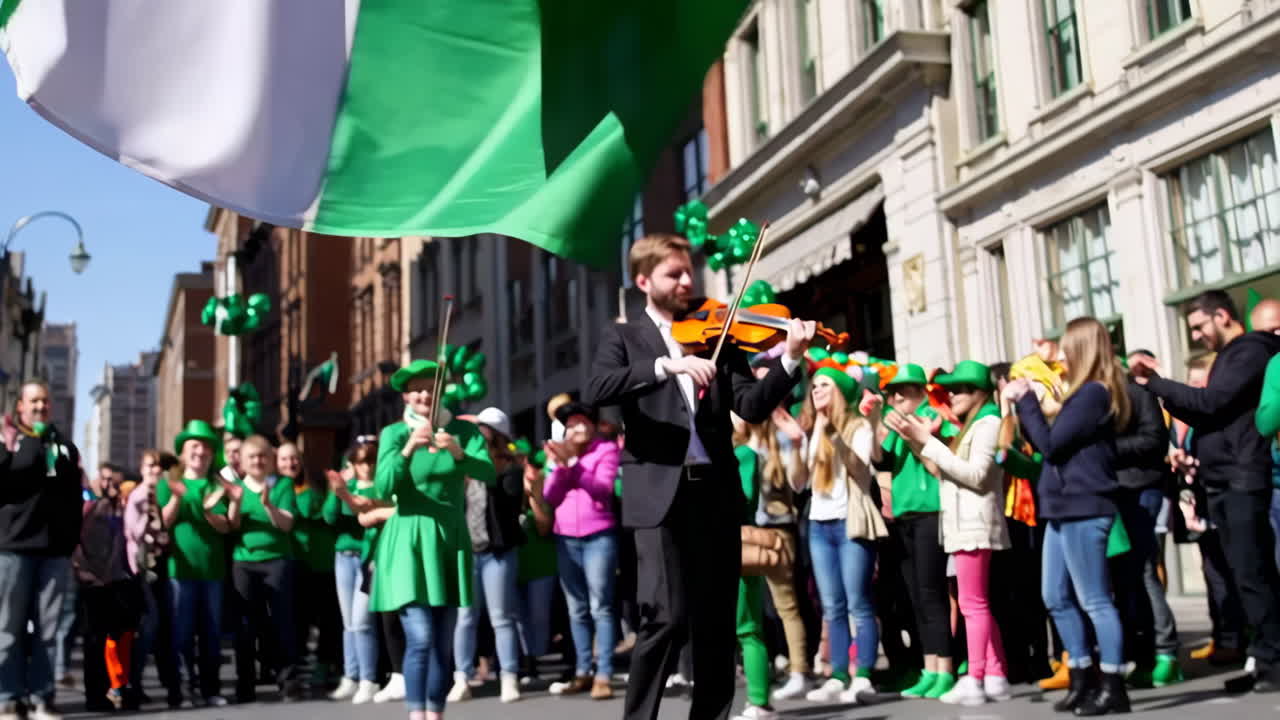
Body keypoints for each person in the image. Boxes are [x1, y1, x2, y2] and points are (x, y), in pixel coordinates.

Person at [585, 233, 812, 720]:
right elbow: (598, 387)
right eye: (674, 273)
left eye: (689, 271)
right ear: (643, 280)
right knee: (665, 617)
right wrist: (668, 366)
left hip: (713, 492)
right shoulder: (624, 338)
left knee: (715, 622)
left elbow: (750, 406)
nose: (688, 281)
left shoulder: (716, 332)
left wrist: (789, 360)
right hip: (658, 493)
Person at [1131, 290, 1280, 693]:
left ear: (1222, 316)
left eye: (1199, 326)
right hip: (1223, 479)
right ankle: (1262, 657)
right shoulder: (1230, 358)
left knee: (1254, 573)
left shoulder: (1251, 350)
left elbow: (1212, 402)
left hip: (1243, 477)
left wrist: (1157, 382)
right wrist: (1158, 390)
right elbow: (1204, 410)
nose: (1196, 335)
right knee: (1240, 574)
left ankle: (1272, 662)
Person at [1009, 317, 1131, 716]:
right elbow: (1047, 444)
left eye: (1065, 348)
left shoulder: (1094, 393)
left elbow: (1052, 446)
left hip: (1085, 505)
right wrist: (1028, 408)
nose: (1059, 356)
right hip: (1063, 506)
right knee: (1055, 596)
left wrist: (1026, 398)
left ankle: (1113, 685)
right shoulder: (1080, 395)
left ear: (1082, 349)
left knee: (1094, 599)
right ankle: (1081, 676)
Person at [370, 359, 496, 720]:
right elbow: (383, 487)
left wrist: (458, 453)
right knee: (421, 638)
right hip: (408, 538)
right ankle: (416, 713)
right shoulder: (394, 434)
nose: (425, 394)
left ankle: (435, 713)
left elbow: (488, 471)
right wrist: (409, 447)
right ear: (407, 397)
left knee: (442, 643)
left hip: (448, 539)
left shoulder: (463, 432)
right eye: (418, 389)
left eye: (431, 387)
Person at [888, 360, 1011, 705]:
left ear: (979, 393)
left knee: (973, 604)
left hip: (974, 522)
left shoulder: (987, 422)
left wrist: (929, 440)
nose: (951, 394)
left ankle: (975, 676)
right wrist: (921, 441)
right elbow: (944, 471)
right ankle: (996, 673)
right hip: (961, 522)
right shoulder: (974, 424)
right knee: (977, 603)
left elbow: (974, 474)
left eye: (958, 389)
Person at [790, 366, 885, 705]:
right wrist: (800, 444)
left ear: (840, 392)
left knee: (858, 601)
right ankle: (839, 673)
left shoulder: (857, 427)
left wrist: (834, 437)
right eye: (813, 386)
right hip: (819, 524)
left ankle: (863, 676)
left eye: (824, 386)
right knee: (831, 606)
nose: (815, 390)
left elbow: (862, 469)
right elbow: (798, 484)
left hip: (850, 522)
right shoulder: (812, 429)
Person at [867, 363, 957, 699]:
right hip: (904, 514)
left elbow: (940, 461)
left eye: (904, 391)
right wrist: (875, 420)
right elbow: (881, 462)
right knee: (917, 596)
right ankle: (929, 668)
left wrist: (915, 432)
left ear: (919, 391)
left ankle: (945, 669)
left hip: (931, 510)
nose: (897, 397)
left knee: (933, 594)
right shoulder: (895, 422)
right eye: (895, 392)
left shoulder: (935, 416)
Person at [0, 381, 84, 720]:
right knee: (9, 628)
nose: (41, 407)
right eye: (34, 401)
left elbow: (74, 498)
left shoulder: (64, 446)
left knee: (48, 631)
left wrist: (71, 543)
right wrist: (26, 442)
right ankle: (7, 697)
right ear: (20, 405)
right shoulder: (8, 441)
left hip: (54, 553)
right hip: (13, 548)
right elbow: (12, 475)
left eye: (46, 401)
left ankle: (42, 699)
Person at [542, 402, 621, 700]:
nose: (578, 428)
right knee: (576, 609)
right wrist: (561, 468)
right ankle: (583, 670)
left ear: (592, 425)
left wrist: (575, 466)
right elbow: (551, 495)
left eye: (582, 422)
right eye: (572, 424)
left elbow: (602, 489)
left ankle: (605, 673)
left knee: (601, 605)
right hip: (566, 538)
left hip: (598, 535)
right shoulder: (561, 453)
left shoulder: (606, 450)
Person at [449, 407, 527, 704]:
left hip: (498, 552)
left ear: (496, 438)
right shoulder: (463, 469)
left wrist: (483, 470)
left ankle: (509, 676)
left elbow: (508, 506)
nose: (478, 438)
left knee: (501, 618)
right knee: (465, 617)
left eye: (484, 433)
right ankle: (461, 677)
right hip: (468, 551)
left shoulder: (510, 469)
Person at [1113, 350, 1181, 687]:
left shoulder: (1138, 395)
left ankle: (1167, 653)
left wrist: (1107, 448)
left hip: (1144, 490)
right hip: (1116, 493)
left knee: (1144, 569)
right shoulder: (1099, 399)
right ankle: (1143, 653)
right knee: (1126, 576)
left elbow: (1155, 441)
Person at [159, 419, 235, 708]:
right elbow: (164, 522)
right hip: (180, 571)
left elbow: (227, 527)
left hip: (213, 570)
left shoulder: (218, 485)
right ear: (183, 450)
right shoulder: (170, 482)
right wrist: (178, 499)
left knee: (211, 633)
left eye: (205, 446)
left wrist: (208, 512)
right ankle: (180, 690)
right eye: (194, 445)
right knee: (181, 632)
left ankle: (210, 689)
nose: (200, 451)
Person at [228, 435, 301, 703]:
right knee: (245, 625)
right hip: (244, 562)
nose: (258, 461)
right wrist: (235, 502)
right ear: (243, 461)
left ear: (270, 460)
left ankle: (288, 681)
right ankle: (245, 682)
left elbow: (287, 525)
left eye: (262, 456)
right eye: (252, 457)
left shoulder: (282, 485)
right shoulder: (236, 486)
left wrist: (268, 504)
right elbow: (232, 526)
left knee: (283, 621)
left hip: (277, 560)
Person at [73, 465, 143, 711]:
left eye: (115, 481)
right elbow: (78, 545)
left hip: (122, 583)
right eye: (104, 480)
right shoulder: (88, 508)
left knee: (123, 639)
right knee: (94, 642)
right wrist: (86, 574)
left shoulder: (129, 509)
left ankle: (123, 688)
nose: (109, 485)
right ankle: (95, 695)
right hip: (93, 583)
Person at [325, 439, 382, 704]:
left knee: (362, 622)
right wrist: (336, 492)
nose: (366, 467)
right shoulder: (345, 486)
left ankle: (369, 679)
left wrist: (345, 494)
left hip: (368, 558)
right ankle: (352, 675)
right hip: (343, 557)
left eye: (370, 460)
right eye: (360, 461)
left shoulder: (381, 485)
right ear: (352, 464)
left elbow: (368, 517)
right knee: (348, 623)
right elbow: (329, 517)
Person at [282, 442, 341, 689]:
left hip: (322, 562)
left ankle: (324, 666)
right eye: (284, 460)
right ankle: (299, 667)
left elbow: (313, 512)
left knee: (327, 619)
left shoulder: (312, 489)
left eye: (294, 459)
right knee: (298, 621)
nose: (290, 464)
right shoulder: (274, 489)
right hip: (294, 564)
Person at [123, 449, 177, 708]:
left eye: (158, 466)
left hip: (161, 567)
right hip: (142, 571)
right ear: (142, 469)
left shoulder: (160, 494)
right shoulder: (139, 496)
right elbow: (133, 534)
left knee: (163, 626)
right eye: (149, 466)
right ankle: (134, 683)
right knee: (148, 627)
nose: (154, 470)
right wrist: (148, 513)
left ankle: (167, 684)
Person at [515, 452, 557, 686]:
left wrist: (534, 497)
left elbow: (543, 527)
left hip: (542, 566)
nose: (532, 472)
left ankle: (539, 658)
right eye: (529, 466)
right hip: (517, 564)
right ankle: (527, 662)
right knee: (519, 617)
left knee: (538, 616)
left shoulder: (546, 493)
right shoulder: (512, 491)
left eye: (537, 467)